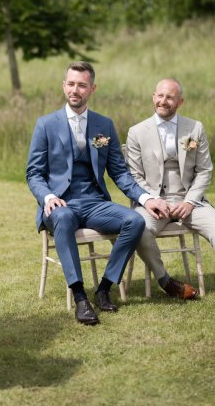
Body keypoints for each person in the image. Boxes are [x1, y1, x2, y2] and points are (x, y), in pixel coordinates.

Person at [26, 61, 166, 325]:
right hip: (60, 205)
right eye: (70, 84)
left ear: (92, 88)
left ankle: (104, 288)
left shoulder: (104, 124)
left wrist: (146, 199)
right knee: (64, 218)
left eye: (81, 85)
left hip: (95, 202)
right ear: (63, 86)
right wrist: (47, 197)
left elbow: (120, 173)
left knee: (134, 221)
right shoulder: (45, 125)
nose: (74, 90)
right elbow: (33, 173)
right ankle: (80, 298)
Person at [125, 78, 215, 318]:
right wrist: (152, 200)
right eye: (160, 96)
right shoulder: (136, 132)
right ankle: (167, 282)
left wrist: (190, 201)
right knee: (139, 229)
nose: (164, 101)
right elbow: (134, 176)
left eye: (170, 97)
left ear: (180, 102)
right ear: (153, 97)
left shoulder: (195, 128)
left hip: (189, 201)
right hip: (153, 203)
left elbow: (204, 171)